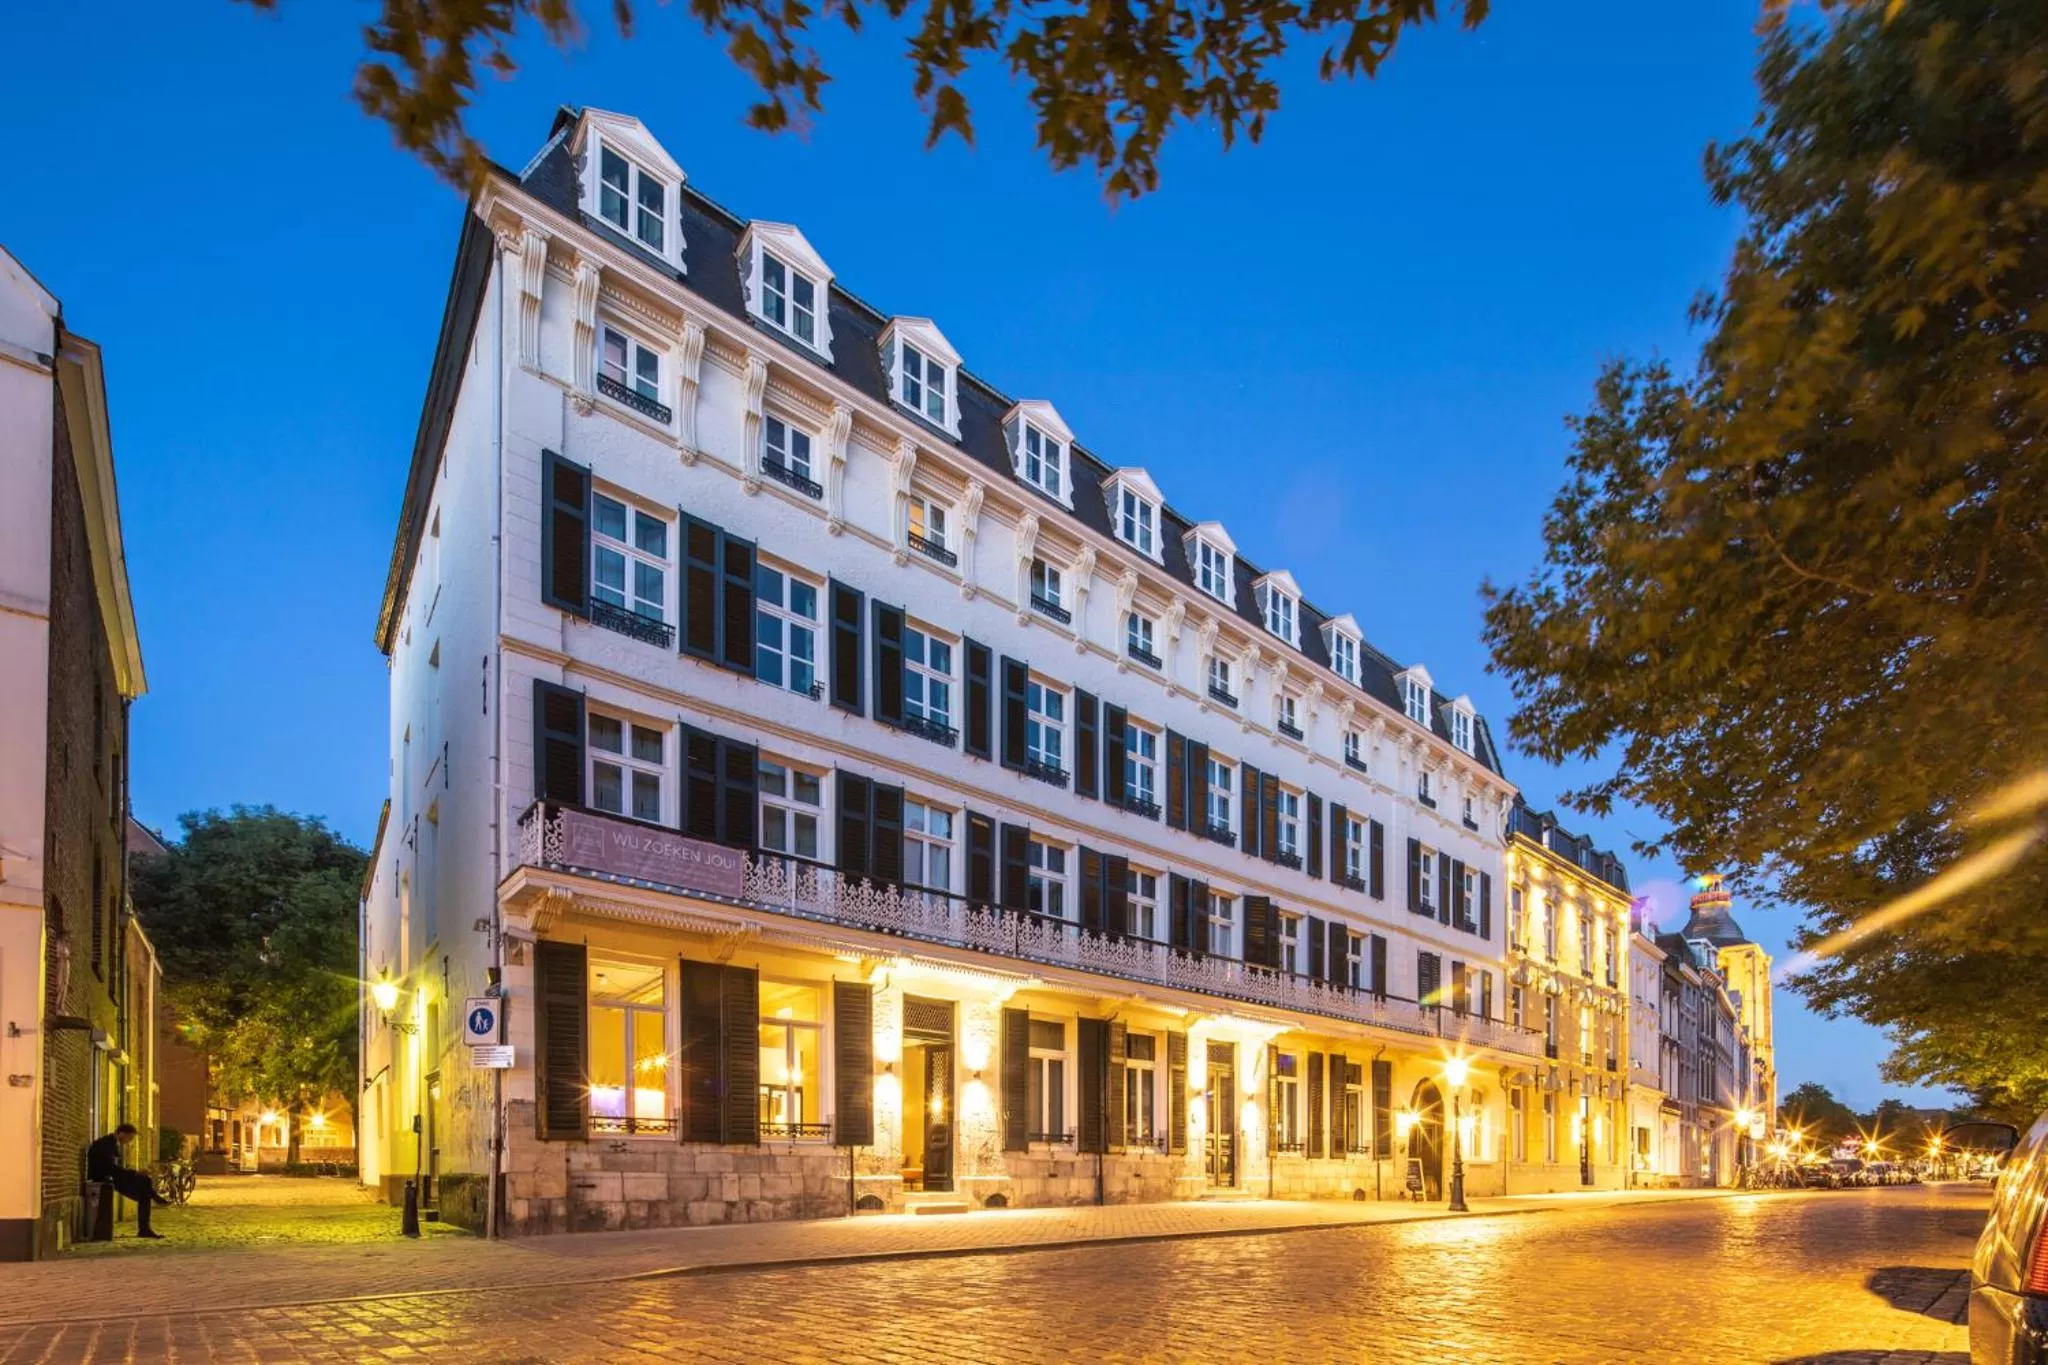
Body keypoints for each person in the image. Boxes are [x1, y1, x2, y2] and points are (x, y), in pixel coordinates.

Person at [86, 1123, 167, 1239]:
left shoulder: (111, 1143)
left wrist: (132, 1172)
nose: (129, 1141)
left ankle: (148, 1218)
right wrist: (133, 1172)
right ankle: (154, 1202)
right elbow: (110, 1168)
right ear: (122, 1133)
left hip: (112, 1176)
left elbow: (113, 1167)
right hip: (106, 1177)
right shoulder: (106, 1144)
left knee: (145, 1188)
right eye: (130, 1138)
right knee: (145, 1186)